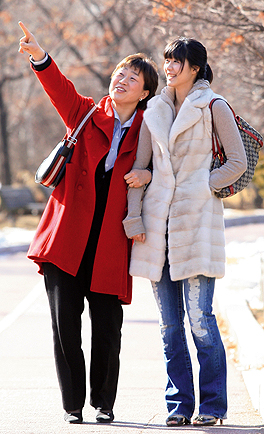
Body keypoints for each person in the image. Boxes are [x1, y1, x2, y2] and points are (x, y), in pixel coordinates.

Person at [18, 21, 158, 424]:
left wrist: (146, 175)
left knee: (108, 329)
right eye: (120, 73)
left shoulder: (149, 133)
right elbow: (58, 87)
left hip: (111, 243)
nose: (123, 79)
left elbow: (164, 170)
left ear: (144, 93)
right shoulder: (86, 114)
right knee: (65, 327)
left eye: (133, 77)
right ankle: (73, 405)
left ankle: (104, 401)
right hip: (66, 239)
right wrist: (40, 57)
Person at [123, 38, 247, 427]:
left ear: (195, 67)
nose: (170, 66)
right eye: (167, 60)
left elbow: (238, 161)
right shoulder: (153, 110)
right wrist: (134, 219)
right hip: (157, 228)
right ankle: (179, 406)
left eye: (177, 60)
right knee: (169, 326)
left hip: (196, 224)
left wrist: (201, 185)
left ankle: (212, 405)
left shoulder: (214, 105)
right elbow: (139, 173)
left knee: (199, 320)